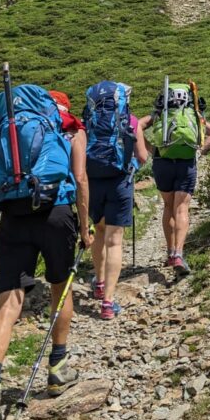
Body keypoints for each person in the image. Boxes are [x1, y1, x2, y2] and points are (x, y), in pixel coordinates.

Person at [0, 88, 91, 420]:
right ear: (59, 109)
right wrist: (85, 228)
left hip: (14, 217)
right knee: (60, 286)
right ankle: (57, 368)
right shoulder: (70, 129)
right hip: (56, 214)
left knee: (8, 301)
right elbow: (81, 178)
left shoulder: (9, 133)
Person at [139, 85, 210, 277]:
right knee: (181, 208)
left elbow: (137, 126)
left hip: (162, 163)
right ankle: (178, 254)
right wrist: (200, 150)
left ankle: (169, 252)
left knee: (168, 206)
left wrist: (151, 148)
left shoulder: (160, 114)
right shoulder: (194, 114)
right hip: (186, 163)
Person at [83, 81, 148, 321]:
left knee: (99, 231)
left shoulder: (86, 124)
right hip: (120, 182)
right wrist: (132, 167)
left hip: (92, 183)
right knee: (114, 241)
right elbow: (142, 156)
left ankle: (99, 283)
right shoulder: (130, 121)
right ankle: (108, 302)